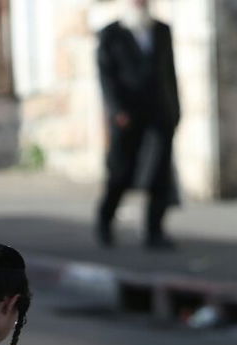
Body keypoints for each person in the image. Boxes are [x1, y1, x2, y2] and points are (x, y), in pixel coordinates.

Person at [95, 0, 182, 251]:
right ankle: (105, 221)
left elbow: (169, 73)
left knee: (159, 173)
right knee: (121, 171)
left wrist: (176, 109)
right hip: (127, 116)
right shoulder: (111, 34)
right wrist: (117, 110)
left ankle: (154, 230)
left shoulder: (161, 30)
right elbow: (106, 76)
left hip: (159, 113)